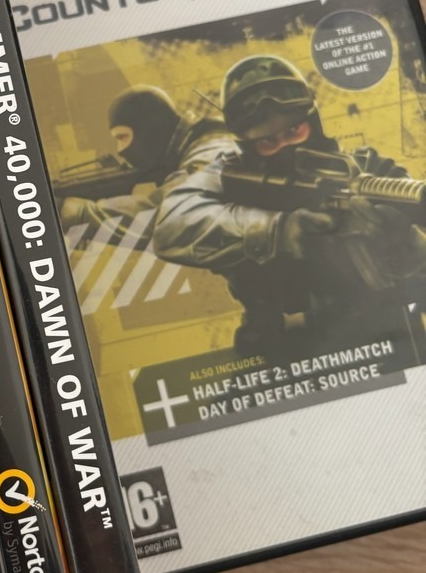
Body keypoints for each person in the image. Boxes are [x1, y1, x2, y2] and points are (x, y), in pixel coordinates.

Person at [152, 55, 426, 356]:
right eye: (267, 142)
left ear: (313, 122)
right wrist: (279, 230)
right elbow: (171, 224)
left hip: (384, 339)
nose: (284, 146)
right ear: (247, 146)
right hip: (278, 349)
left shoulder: (367, 167)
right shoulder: (231, 177)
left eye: (294, 131)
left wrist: (397, 240)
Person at [59, 84, 233, 245]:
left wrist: (78, 214)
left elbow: (170, 212)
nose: (120, 150)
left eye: (123, 137)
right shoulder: (191, 146)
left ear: (150, 130)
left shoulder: (212, 149)